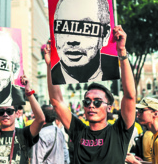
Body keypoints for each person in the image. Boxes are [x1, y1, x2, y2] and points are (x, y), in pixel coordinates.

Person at [44, 25, 136, 163]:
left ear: (109, 107)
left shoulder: (119, 132)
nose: (91, 105)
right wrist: (51, 64)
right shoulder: (78, 131)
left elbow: (129, 96)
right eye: (87, 101)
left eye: (97, 102)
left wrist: (122, 51)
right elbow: (56, 101)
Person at [51, 0, 119, 84]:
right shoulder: (52, 75)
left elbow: (130, 97)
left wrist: (122, 52)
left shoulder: (114, 67)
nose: (72, 40)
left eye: (85, 28)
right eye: (64, 27)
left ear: (105, 35)